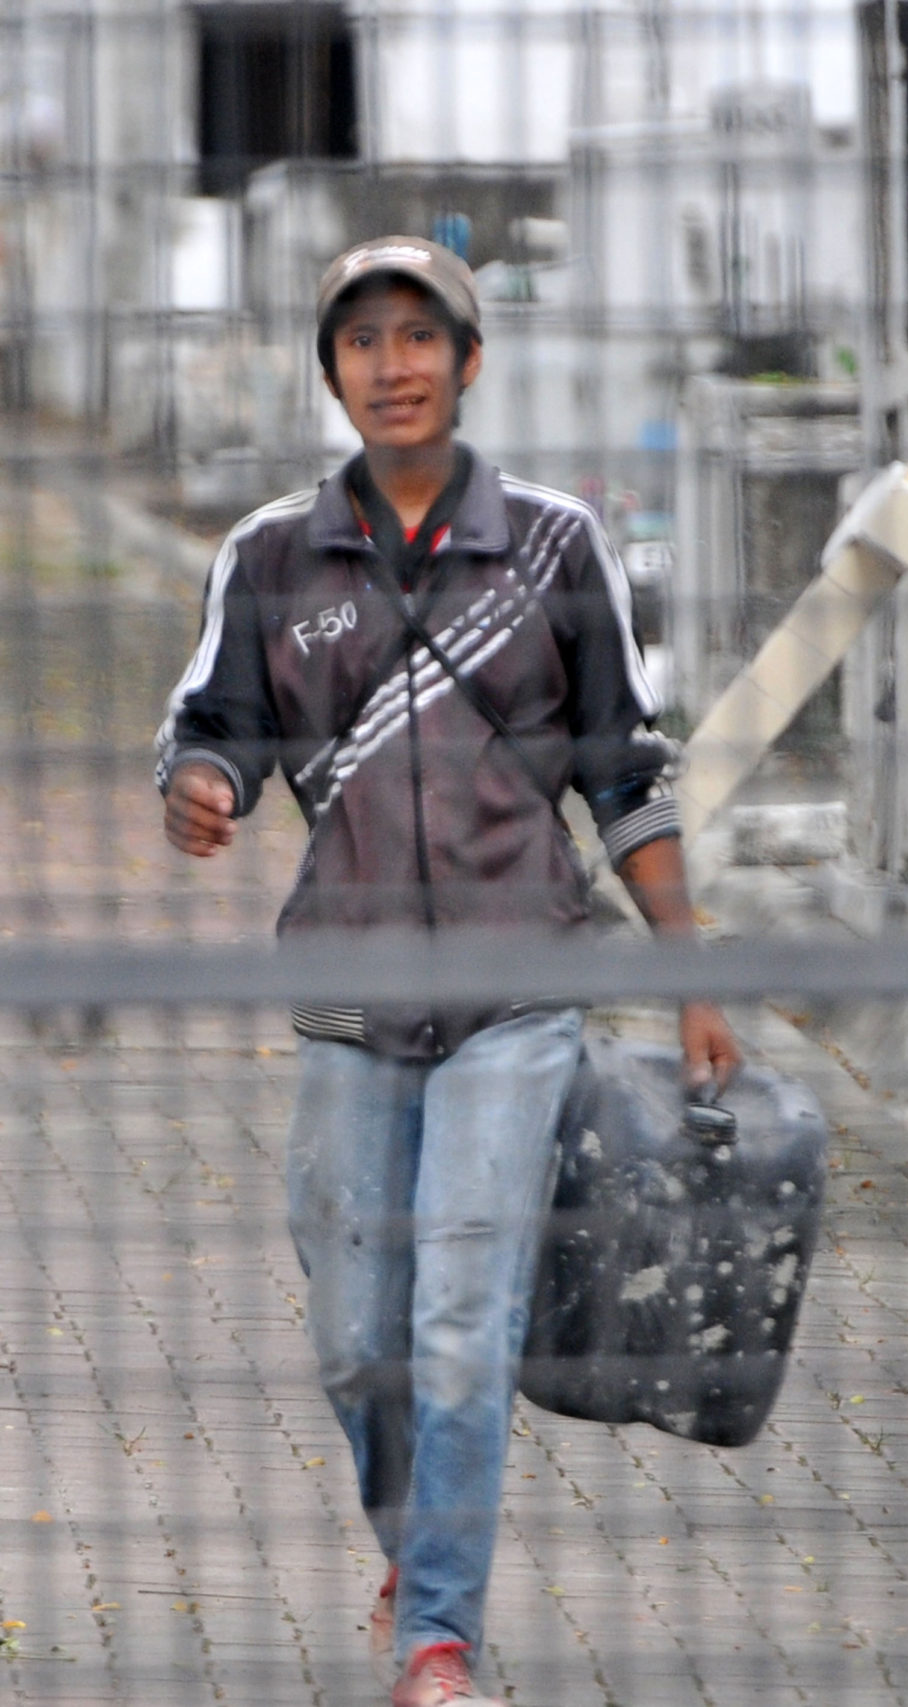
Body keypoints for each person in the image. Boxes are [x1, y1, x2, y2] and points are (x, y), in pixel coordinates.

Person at [156, 237, 739, 1706]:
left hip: (520, 985)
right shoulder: (271, 555)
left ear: (470, 363)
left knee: (460, 1322)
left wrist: (695, 978)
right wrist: (206, 787)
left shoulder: (553, 546)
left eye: (423, 337)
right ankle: (417, 1551)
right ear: (333, 371)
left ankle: (438, 1640)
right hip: (351, 992)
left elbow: (626, 772)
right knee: (362, 1338)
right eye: (365, 342)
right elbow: (211, 723)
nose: (395, 363)